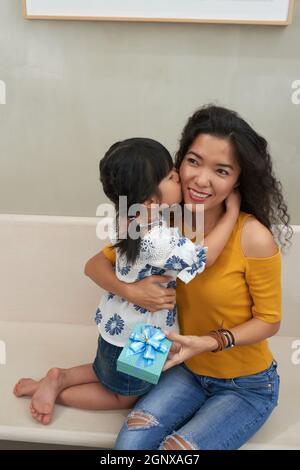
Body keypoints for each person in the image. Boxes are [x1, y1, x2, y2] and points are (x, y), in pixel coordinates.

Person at [85, 106, 292, 450]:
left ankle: (60, 380)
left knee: (175, 454)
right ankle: (58, 380)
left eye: (221, 170)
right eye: (193, 162)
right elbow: (94, 265)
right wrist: (132, 292)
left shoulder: (253, 237)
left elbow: (269, 321)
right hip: (185, 368)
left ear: (238, 179)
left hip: (245, 385)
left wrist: (209, 341)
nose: (201, 179)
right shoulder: (166, 224)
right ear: (178, 164)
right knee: (128, 447)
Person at [13, 137, 240, 425]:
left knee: (103, 368)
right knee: (125, 395)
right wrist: (231, 213)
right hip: (143, 335)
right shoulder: (159, 240)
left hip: (116, 324)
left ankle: (59, 377)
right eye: (171, 176)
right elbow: (203, 259)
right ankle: (55, 391)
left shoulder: (126, 218)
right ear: (150, 200)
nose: (179, 179)